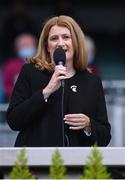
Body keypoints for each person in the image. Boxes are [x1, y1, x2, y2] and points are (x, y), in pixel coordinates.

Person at [6, 15, 111, 147]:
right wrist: (46, 91)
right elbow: (13, 120)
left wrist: (88, 125)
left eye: (66, 37)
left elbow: (105, 137)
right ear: (47, 46)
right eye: (54, 38)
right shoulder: (30, 72)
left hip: (75, 163)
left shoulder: (92, 81)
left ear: (76, 42)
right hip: (36, 162)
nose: (60, 43)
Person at [2, 33, 37, 102]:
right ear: (17, 48)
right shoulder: (10, 66)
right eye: (23, 45)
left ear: (35, 46)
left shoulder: (42, 64)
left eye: (28, 45)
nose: (26, 47)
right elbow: (6, 88)